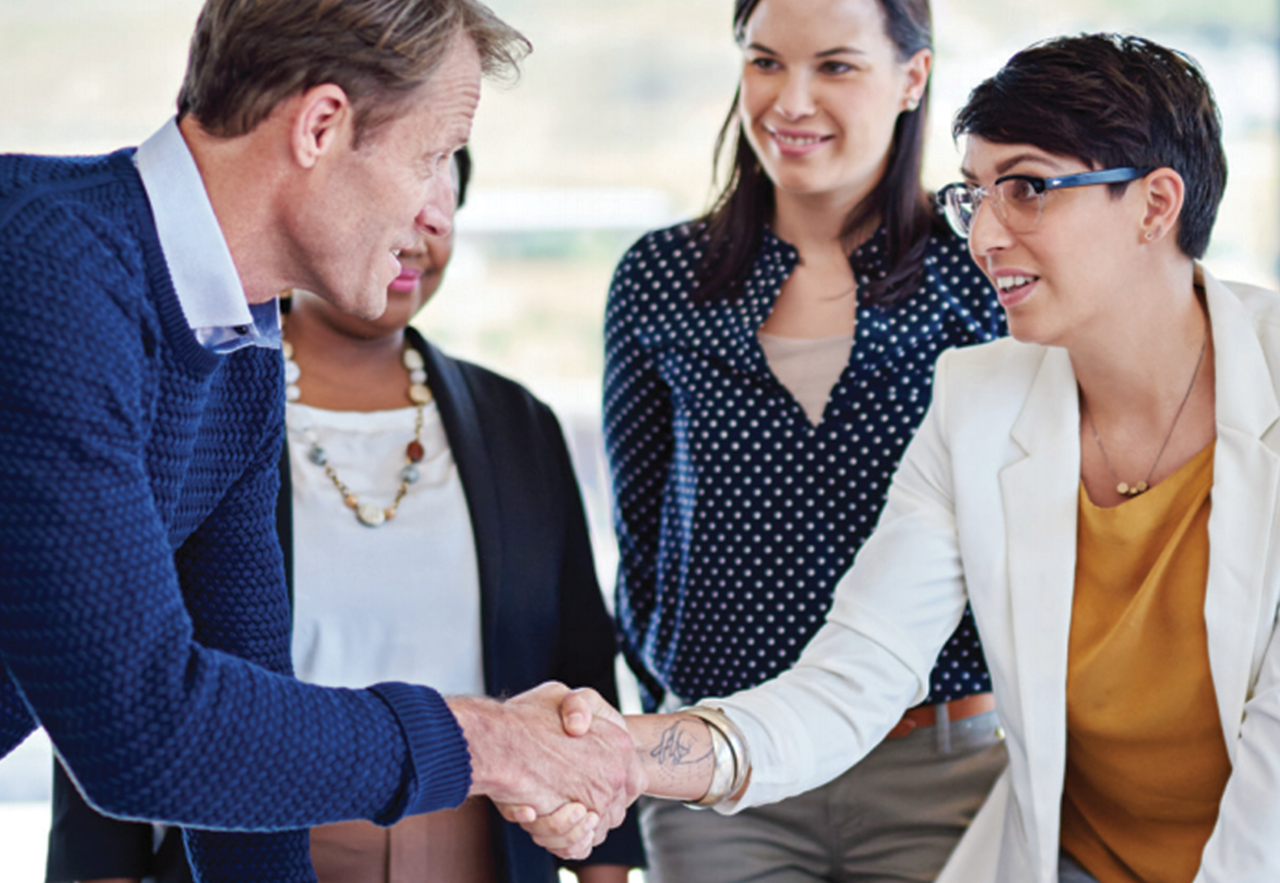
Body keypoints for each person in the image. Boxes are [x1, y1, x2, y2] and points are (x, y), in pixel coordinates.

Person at [544, 31, 1280, 883]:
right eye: (975, 197)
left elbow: (1266, 809)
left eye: (1029, 189)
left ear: (1156, 205)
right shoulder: (978, 399)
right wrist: (621, 752)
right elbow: (853, 677)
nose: (986, 237)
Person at [0, 3, 641, 882]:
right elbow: (143, 730)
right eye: (429, 155)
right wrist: (484, 740)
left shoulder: (240, 355)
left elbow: (237, 780)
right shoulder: (48, 268)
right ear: (322, 126)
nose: (436, 209)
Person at [601, 0, 1006, 879]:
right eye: (764, 61)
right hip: (713, 773)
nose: (790, 100)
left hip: (941, 767)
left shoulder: (982, 274)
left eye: (835, 66)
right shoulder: (659, 277)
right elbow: (638, 540)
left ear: (913, 77)